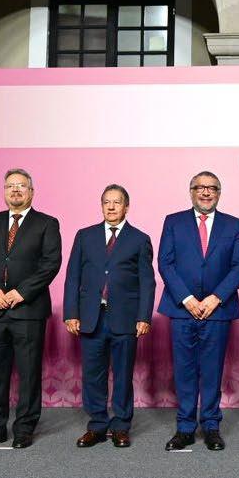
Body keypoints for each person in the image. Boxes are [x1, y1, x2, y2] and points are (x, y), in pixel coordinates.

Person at [0, 168, 62, 449]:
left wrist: (21, 293)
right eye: (10, 185)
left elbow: (50, 264)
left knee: (29, 372)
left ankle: (24, 427)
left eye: (21, 185)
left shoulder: (47, 223)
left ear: (31, 191)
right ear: (4, 191)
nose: (16, 190)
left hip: (28, 311)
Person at [159, 170, 239, 452]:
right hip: (182, 309)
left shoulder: (234, 224)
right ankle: (185, 428)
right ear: (191, 192)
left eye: (212, 188)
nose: (206, 192)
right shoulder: (173, 221)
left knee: (212, 370)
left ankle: (211, 426)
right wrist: (186, 298)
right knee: (184, 370)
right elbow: (165, 263)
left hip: (217, 310)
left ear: (219, 193)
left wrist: (215, 298)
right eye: (200, 187)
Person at [63, 184, 154, 449]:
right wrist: (71, 313)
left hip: (126, 318)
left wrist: (144, 317)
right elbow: (72, 277)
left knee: (123, 374)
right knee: (93, 374)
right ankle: (97, 426)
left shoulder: (140, 239)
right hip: (91, 317)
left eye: (117, 202)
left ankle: (121, 426)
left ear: (127, 206)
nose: (111, 207)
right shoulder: (85, 236)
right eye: (106, 202)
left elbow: (147, 282)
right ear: (101, 206)